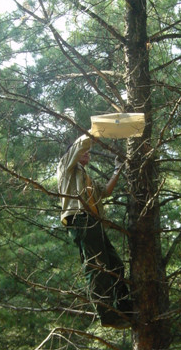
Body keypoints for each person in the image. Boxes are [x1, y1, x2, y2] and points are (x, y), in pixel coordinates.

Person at [57, 134, 133, 328]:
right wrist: (95, 131)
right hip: (80, 219)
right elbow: (80, 144)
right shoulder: (65, 166)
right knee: (97, 267)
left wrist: (117, 169)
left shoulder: (86, 178)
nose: (87, 155)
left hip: (94, 222)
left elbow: (105, 191)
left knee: (115, 265)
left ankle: (126, 310)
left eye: (89, 153)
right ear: (74, 153)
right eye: (85, 152)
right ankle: (107, 315)